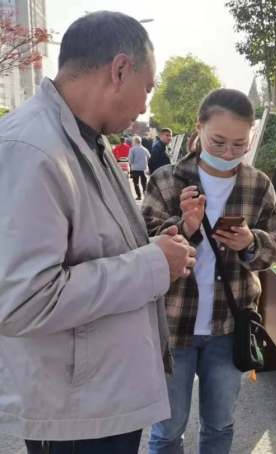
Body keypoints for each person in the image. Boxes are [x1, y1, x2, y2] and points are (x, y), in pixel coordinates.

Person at [0, 11, 198, 454]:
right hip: (75, 416)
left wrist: (158, 246)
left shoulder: (86, 139)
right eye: (147, 88)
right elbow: (24, 300)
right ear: (119, 70)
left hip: (99, 396)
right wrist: (153, 264)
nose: (145, 106)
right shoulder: (29, 149)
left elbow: (98, 245)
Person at [143, 89, 276, 454]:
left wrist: (250, 242)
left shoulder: (258, 184)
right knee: (167, 430)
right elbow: (141, 246)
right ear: (199, 128)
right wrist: (184, 227)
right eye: (218, 142)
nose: (227, 153)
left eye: (239, 144)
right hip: (173, 325)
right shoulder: (167, 180)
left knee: (220, 424)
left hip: (229, 326)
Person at [129, 135, 151, 200]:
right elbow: (149, 158)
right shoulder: (145, 150)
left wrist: (131, 164)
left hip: (135, 168)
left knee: (136, 183)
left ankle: (139, 196)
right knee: (144, 182)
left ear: (135, 141)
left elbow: (130, 160)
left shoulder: (132, 150)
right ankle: (145, 192)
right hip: (144, 168)